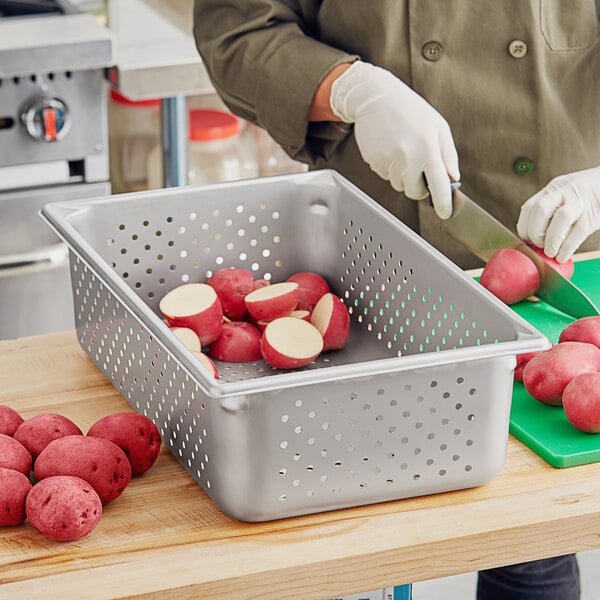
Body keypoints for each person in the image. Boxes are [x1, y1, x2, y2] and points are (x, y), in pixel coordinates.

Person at [193, 2, 599, 598]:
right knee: (336, 532)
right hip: (372, 266)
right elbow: (237, 30)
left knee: (528, 546)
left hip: (563, 247)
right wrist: (349, 88)